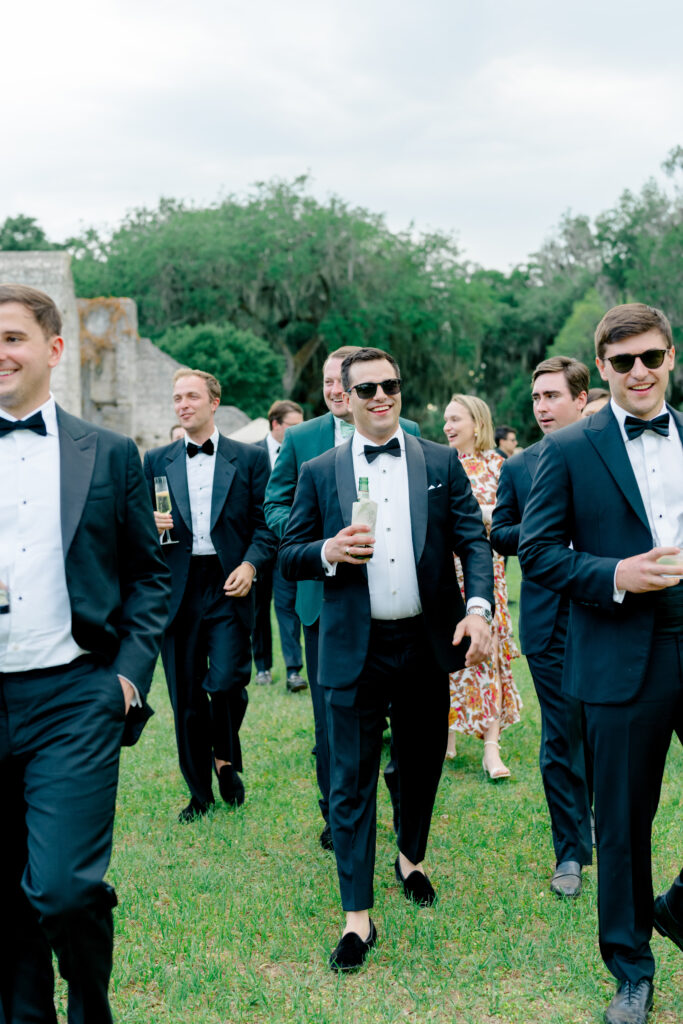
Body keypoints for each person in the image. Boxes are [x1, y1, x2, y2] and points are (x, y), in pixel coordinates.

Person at [279, 347, 494, 970]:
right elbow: (290, 552)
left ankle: (412, 856)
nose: (381, 397)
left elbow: (471, 542)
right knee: (349, 779)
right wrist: (328, 550)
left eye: (390, 385)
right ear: (343, 398)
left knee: (422, 764)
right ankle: (356, 917)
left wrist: (477, 608)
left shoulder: (438, 461)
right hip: (354, 647)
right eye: (366, 388)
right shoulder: (320, 470)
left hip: (427, 645)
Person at [0, 283, 171, 1023]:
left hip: (74, 695)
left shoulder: (105, 454)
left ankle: (91, 1004)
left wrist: (126, 680)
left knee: (64, 888)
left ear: (53, 350)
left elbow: (150, 575)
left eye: (11, 337)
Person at [518, 304, 683, 1024]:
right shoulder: (569, 449)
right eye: (621, 362)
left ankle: (677, 908)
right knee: (619, 821)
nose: (638, 372)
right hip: (620, 649)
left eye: (649, 357)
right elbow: (539, 552)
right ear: (603, 369)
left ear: (670, 356)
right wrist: (616, 574)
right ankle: (629, 969)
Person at [264, 346, 420, 850]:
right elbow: (276, 506)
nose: (335, 389)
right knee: (332, 720)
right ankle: (339, 814)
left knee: (404, 722)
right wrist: (324, 541)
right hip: (327, 596)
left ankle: (403, 813)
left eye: (342, 381)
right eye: (329, 381)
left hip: (402, 602)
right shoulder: (303, 440)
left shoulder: (410, 432)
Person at [143, 369, 276, 822]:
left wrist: (250, 564)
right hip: (175, 588)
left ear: (214, 401)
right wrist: (149, 525)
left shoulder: (251, 459)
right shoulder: (155, 460)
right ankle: (199, 794)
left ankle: (224, 753)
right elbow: (135, 528)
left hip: (228, 582)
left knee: (226, 682)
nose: (182, 404)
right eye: (177, 397)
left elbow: (266, 523)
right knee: (184, 697)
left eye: (191, 396)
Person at [491, 356, 593, 898]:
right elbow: (500, 530)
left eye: (552, 396)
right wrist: (542, 528)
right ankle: (570, 852)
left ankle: (602, 827)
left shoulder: (613, 455)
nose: (542, 407)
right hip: (549, 619)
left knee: (604, 735)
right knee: (560, 736)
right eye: (536, 398)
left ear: (581, 398)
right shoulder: (521, 466)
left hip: (612, 615)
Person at [443, 395, 521, 777]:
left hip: (486, 574)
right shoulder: (440, 465)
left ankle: (492, 748)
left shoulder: (500, 467)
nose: (448, 427)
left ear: (477, 423)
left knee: (486, 655)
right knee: (447, 653)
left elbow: (508, 520)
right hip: (444, 573)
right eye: (446, 420)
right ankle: (447, 736)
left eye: (455, 419)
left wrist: (474, 515)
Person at [252, 399, 306, 692]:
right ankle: (262, 666)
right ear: (276, 424)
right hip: (259, 548)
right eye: (293, 426)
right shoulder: (253, 453)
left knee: (288, 606)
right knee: (259, 609)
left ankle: (294, 670)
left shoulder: (301, 454)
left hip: (287, 544)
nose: (298, 432)